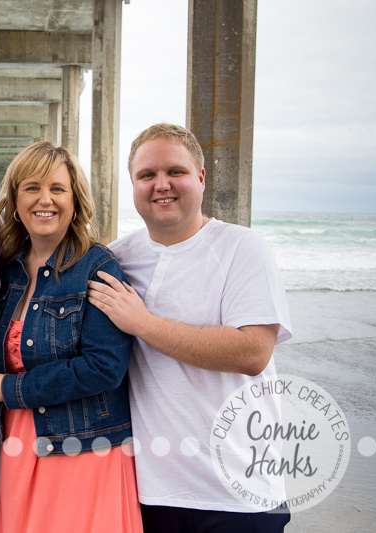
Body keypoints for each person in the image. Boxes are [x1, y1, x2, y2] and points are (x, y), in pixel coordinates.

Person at [87, 123, 293, 532]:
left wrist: (143, 323)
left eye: (175, 172)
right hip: (149, 491)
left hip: (239, 492)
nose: (161, 184)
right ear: (133, 185)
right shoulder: (115, 260)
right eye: (147, 175)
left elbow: (252, 352)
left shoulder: (243, 248)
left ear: (200, 178)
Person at [0, 141, 143, 533]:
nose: (46, 200)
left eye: (58, 189)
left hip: (83, 446)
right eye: (32, 188)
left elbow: (105, 367)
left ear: (75, 200)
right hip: (19, 441)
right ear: (15, 199)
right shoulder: (7, 269)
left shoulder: (97, 265)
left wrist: (9, 389)